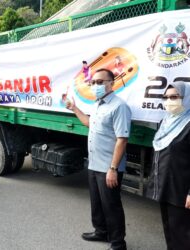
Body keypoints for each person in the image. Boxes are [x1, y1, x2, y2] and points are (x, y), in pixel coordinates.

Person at [66, 68, 131, 250]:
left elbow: (122, 139)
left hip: (109, 167)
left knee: (112, 205)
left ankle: (118, 243)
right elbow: (89, 123)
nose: (96, 85)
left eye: (100, 82)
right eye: (93, 82)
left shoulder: (119, 106)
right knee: (97, 202)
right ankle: (101, 231)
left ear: (112, 83)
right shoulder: (97, 104)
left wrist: (113, 169)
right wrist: (74, 108)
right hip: (94, 164)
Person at [146, 81, 190, 250]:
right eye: (166, 97)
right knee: (169, 229)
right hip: (165, 185)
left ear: (186, 99)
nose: (169, 101)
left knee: (182, 233)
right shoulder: (166, 122)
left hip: (181, 190)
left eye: (174, 97)